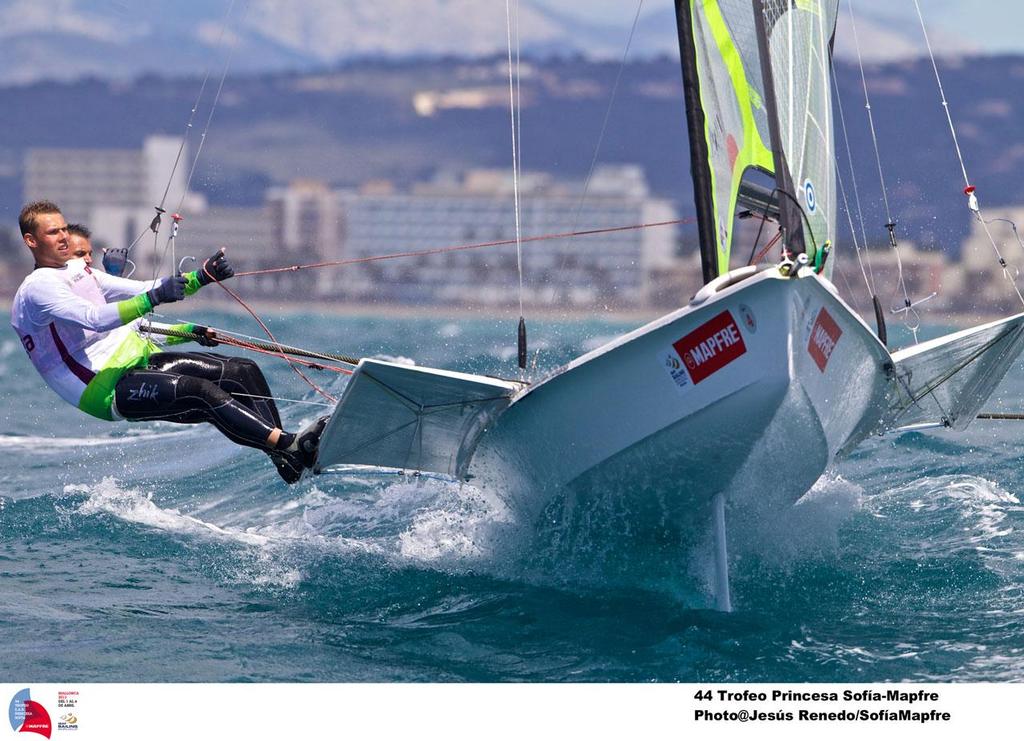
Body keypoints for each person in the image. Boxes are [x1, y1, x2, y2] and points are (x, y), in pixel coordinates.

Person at [10, 201, 326, 483]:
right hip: (101, 387)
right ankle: (288, 445)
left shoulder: (77, 270)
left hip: (132, 359)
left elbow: (145, 288)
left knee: (241, 371)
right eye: (53, 232)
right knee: (201, 393)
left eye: (65, 228)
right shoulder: (38, 288)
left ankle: (286, 457)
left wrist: (201, 276)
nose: (64, 237)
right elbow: (93, 317)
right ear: (31, 241)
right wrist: (155, 297)